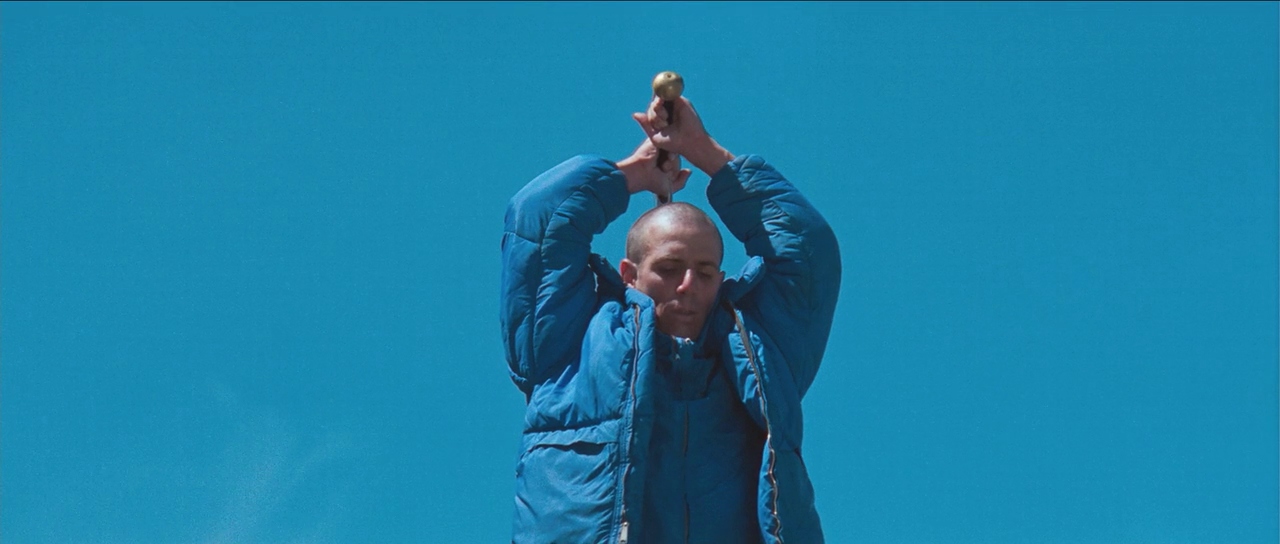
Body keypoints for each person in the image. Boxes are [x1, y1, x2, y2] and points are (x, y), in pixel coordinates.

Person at [501, 93, 841, 543]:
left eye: (705, 272)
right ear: (629, 275)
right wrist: (634, 173)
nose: (687, 286)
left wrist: (702, 150)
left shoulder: (764, 354)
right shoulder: (568, 344)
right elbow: (539, 222)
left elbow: (807, 251)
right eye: (668, 268)